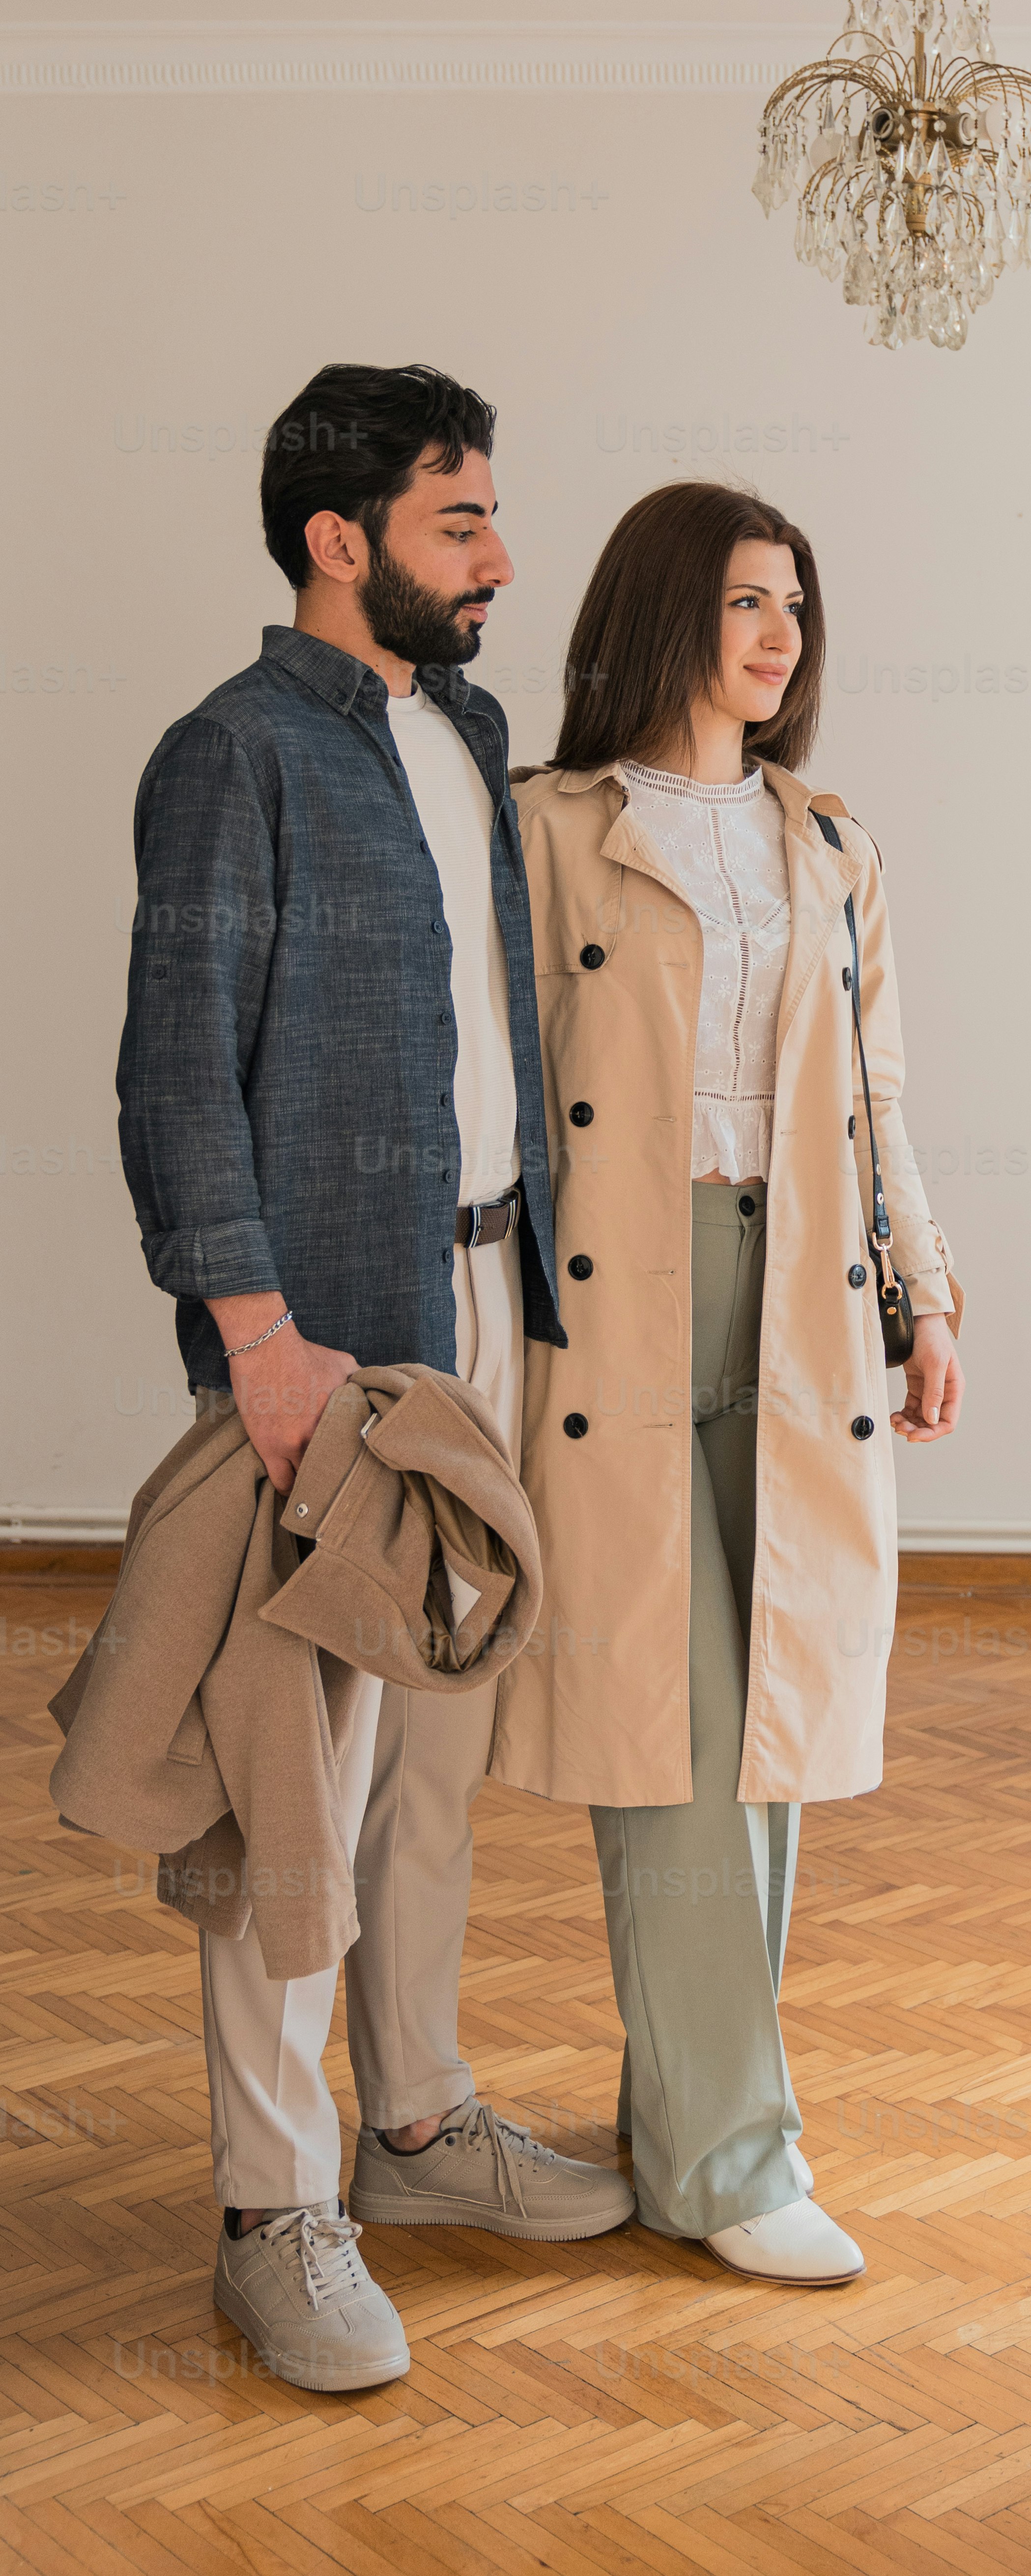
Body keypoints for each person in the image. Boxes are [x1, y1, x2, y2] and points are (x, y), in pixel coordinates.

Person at [116, 362, 634, 2394]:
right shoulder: (230, 755)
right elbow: (174, 1067)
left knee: (436, 1754)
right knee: (294, 1778)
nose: (501, 557)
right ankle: (275, 2206)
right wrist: (250, 1333)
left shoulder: (467, 729)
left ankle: (412, 2126)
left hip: (486, 1294)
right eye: (458, 522)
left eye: (493, 515)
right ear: (339, 543)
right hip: (326, 1335)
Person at [491, 479, 965, 2284]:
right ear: (664, 608)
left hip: (805, 1302)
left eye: (797, 609)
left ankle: (684, 2110)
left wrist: (930, 1294)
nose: (777, 637)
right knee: (665, 1728)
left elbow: (878, 1099)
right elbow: (506, 1093)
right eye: (746, 601)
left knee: (760, 1728)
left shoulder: (829, 844)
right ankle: (730, 2157)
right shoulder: (547, 827)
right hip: (614, 1303)